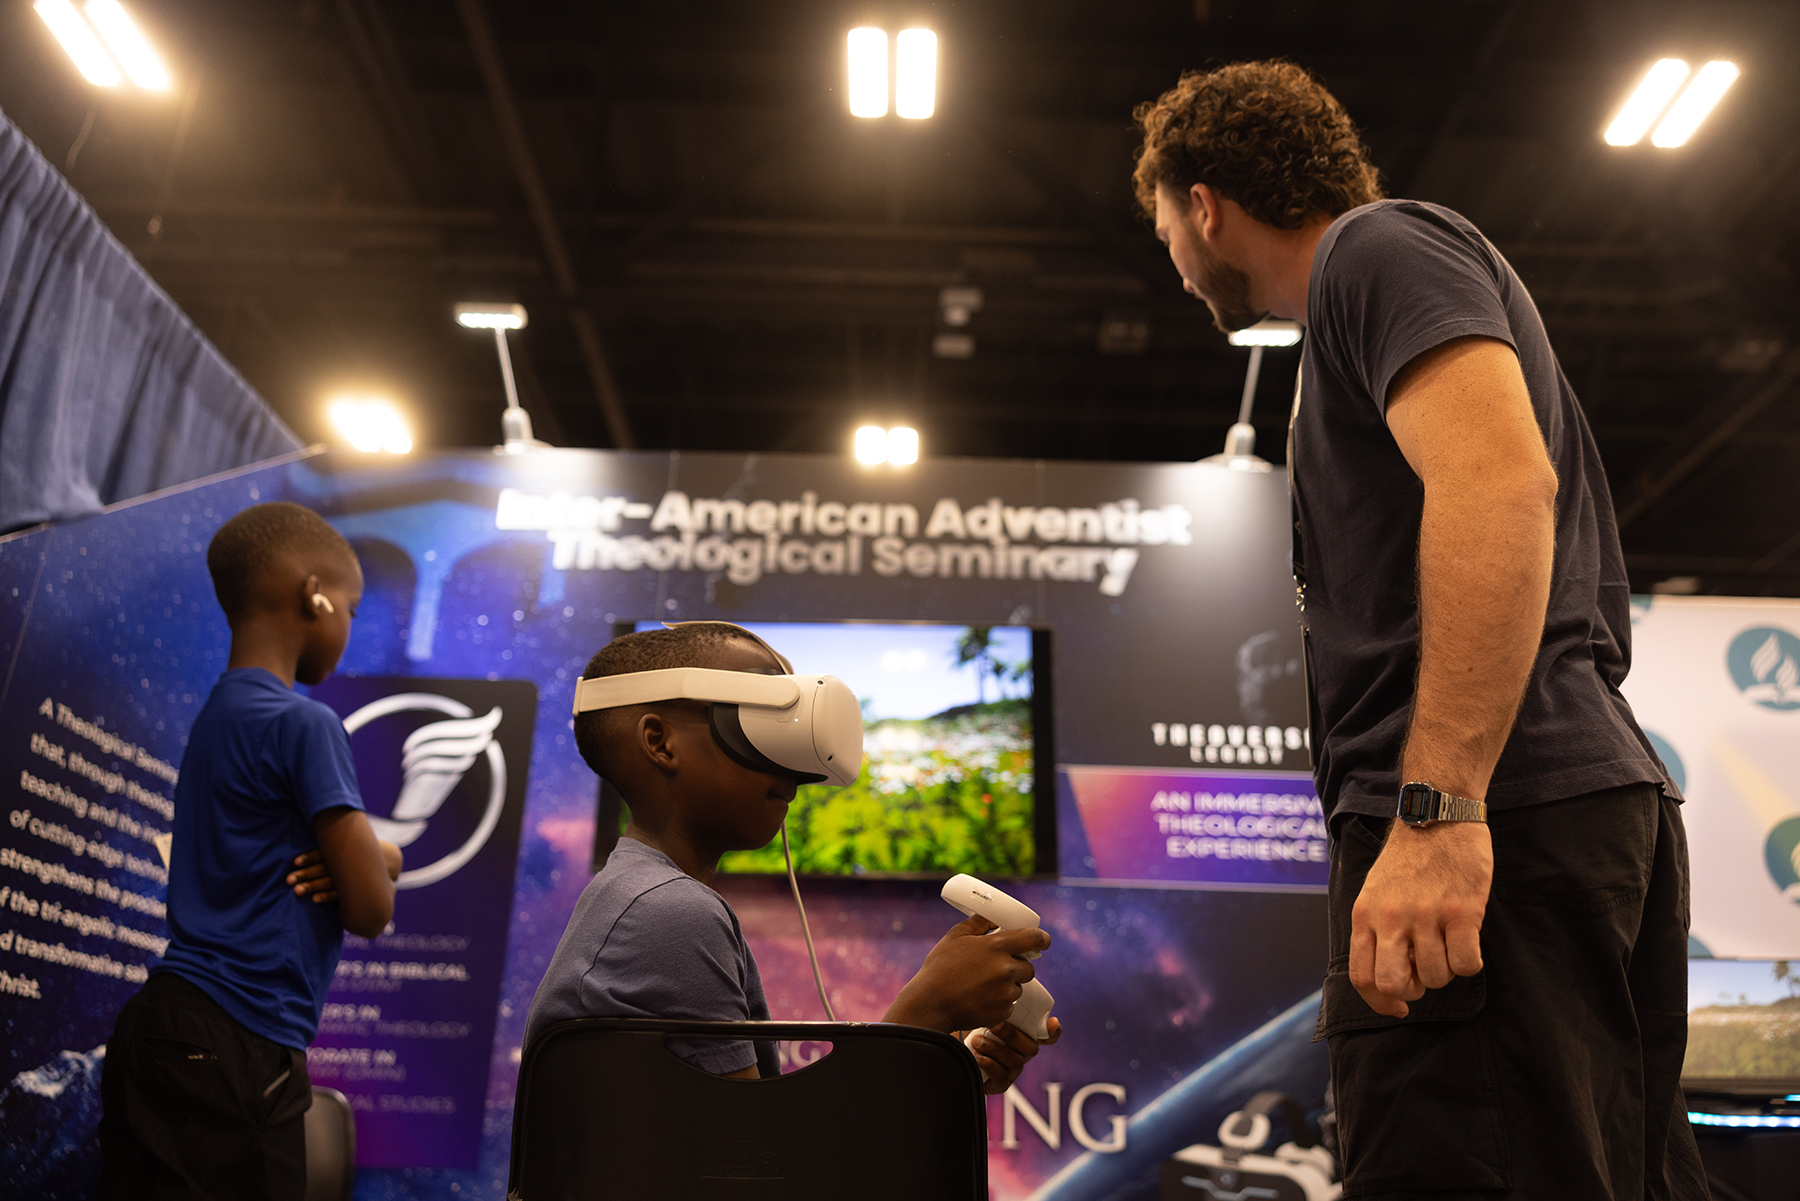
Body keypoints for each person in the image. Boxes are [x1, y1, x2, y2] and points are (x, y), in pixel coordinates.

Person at [1132, 62, 1705, 1199]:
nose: (1177, 264)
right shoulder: (1357, 303)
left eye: (1165, 232)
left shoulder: (1376, 248)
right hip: (1544, 811)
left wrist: (1438, 811)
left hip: (1502, 810)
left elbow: (1498, 483)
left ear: (1205, 205)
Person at [526, 622, 1060, 1091]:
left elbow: (732, 1140)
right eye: (758, 720)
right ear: (660, 743)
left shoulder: (640, 897)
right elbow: (766, 1158)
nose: (796, 769)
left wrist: (940, 1062)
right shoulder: (667, 912)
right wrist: (927, 1011)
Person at [98, 502, 404, 1200]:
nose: (349, 626)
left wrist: (381, 857)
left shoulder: (219, 717)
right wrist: (377, 864)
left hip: (161, 1025)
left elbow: (366, 864)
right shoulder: (306, 723)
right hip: (239, 1042)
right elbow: (370, 909)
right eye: (351, 608)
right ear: (314, 594)